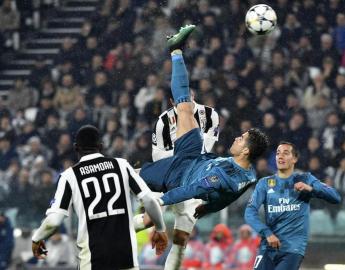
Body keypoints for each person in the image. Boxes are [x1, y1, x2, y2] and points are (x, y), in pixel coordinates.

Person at [136, 25, 269, 270]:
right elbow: (228, 197)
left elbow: (191, 190)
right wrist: (211, 207)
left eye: (241, 139)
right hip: (191, 158)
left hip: (181, 179)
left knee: (167, 231)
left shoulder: (220, 176)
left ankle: (108, 229)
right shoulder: (248, 175)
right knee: (184, 106)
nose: (236, 138)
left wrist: (161, 205)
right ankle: (176, 50)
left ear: (247, 151)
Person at [31, 125, 168, 270]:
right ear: (101, 146)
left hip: (93, 261)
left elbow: (53, 221)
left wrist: (37, 238)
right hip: (126, 259)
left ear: (76, 148)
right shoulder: (121, 165)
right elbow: (149, 200)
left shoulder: (69, 176)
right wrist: (160, 229)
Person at [245, 141, 341, 270]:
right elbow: (249, 212)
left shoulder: (306, 178)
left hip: (292, 249)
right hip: (268, 246)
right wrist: (266, 232)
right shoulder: (265, 183)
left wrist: (311, 189)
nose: (280, 156)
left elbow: (335, 197)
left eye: (286, 153)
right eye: (278, 153)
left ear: (294, 158)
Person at [152, 89, 219, 161]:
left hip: (202, 164)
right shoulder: (163, 121)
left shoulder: (211, 115)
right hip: (174, 165)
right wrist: (177, 152)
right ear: (172, 101)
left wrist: (190, 151)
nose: (184, 104)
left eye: (186, 99)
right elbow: (156, 155)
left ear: (192, 96)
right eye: (179, 101)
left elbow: (209, 143)